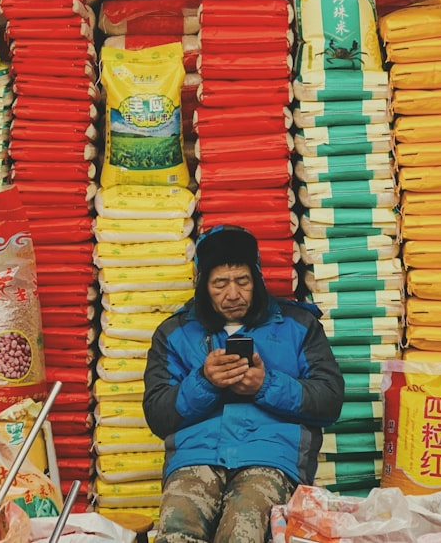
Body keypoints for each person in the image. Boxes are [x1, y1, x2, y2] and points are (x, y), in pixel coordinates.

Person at [143, 224, 345, 543]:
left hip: (269, 457)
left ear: (258, 278)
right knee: (176, 534)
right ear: (202, 285)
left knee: (243, 531)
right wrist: (205, 381)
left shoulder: (298, 325)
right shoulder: (174, 333)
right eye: (220, 283)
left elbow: (329, 400)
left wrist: (265, 385)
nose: (233, 294)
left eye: (243, 281)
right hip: (195, 457)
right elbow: (157, 414)